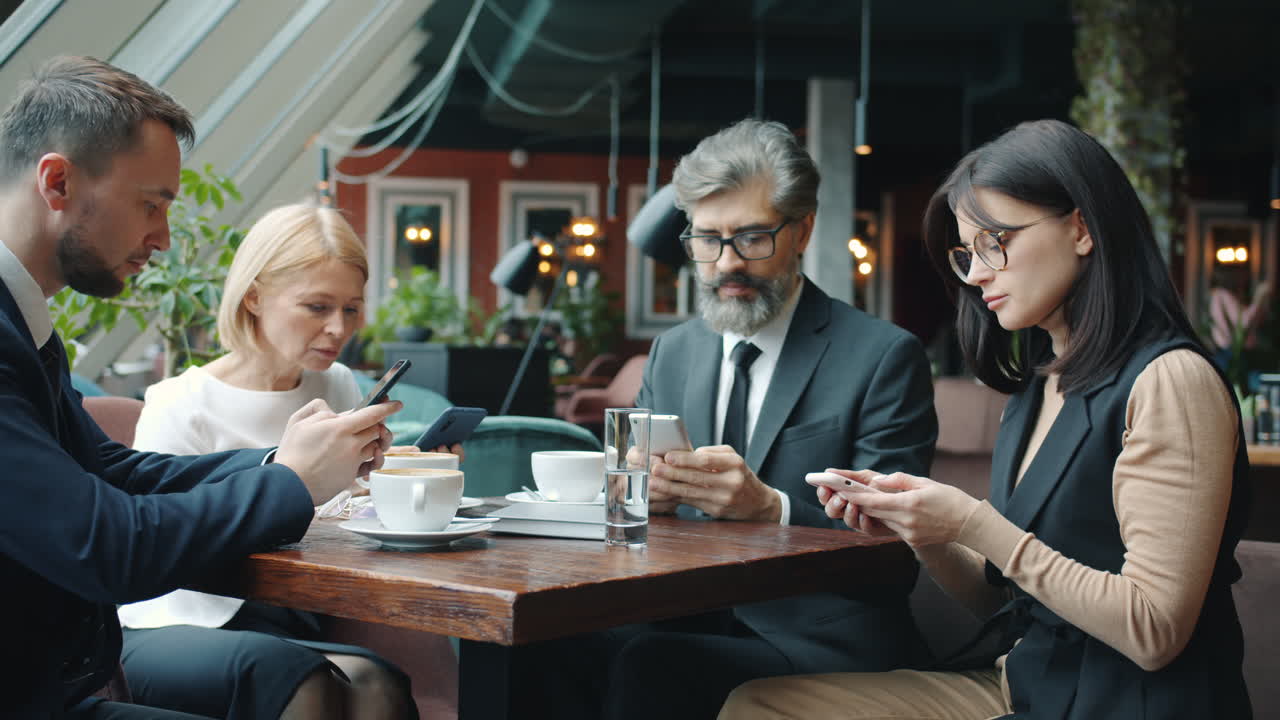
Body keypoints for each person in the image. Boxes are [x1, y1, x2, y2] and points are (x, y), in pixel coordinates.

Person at [720, 119, 1252, 719]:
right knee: (758, 704)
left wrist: (973, 522)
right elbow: (1004, 602)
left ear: (1081, 228)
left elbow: (1155, 631)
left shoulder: (1170, 381)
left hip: (1126, 703)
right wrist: (928, 533)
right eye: (967, 252)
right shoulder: (1040, 386)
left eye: (996, 241)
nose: (975, 274)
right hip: (1030, 685)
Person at [0, 56, 401, 719]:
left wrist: (281, 462)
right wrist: (292, 485)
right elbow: (106, 545)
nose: (161, 237)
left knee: (372, 693)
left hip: (55, 686)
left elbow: (109, 470)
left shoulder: (24, 323)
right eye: (150, 204)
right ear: (58, 181)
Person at [509, 118, 938, 720]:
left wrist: (775, 509)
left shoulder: (882, 357)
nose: (724, 263)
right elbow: (630, 506)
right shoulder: (674, 351)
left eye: (751, 238)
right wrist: (640, 496)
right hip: (677, 608)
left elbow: (897, 558)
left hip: (817, 636)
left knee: (653, 667)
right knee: (531, 647)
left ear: (803, 230)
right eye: (707, 240)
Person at [116, 204, 435, 719]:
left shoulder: (335, 385)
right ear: (254, 296)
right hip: (169, 619)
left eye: (351, 309)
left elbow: (345, 508)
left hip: (282, 619)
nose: (338, 328)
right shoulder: (180, 400)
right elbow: (156, 541)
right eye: (316, 306)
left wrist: (398, 475)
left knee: (379, 685)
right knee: (302, 682)